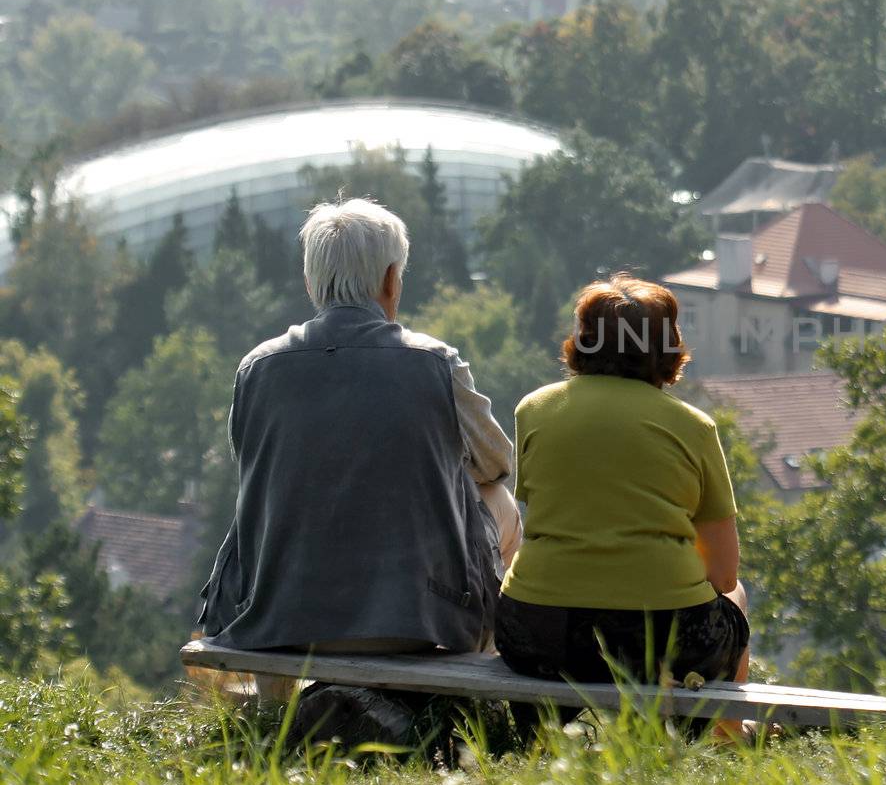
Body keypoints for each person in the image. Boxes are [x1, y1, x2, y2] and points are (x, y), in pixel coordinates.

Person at [198, 198, 522, 733]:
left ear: (311, 283)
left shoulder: (257, 367)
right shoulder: (436, 363)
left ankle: (275, 715)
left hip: (278, 618)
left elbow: (253, 461)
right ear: (392, 280)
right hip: (417, 621)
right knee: (500, 502)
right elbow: (496, 462)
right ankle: (470, 699)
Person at [496, 273, 750, 729]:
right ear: (668, 349)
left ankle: (534, 741)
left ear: (581, 342)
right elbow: (723, 572)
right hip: (659, 640)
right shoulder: (694, 427)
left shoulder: (532, 410)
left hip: (537, 631)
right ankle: (726, 741)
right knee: (737, 597)